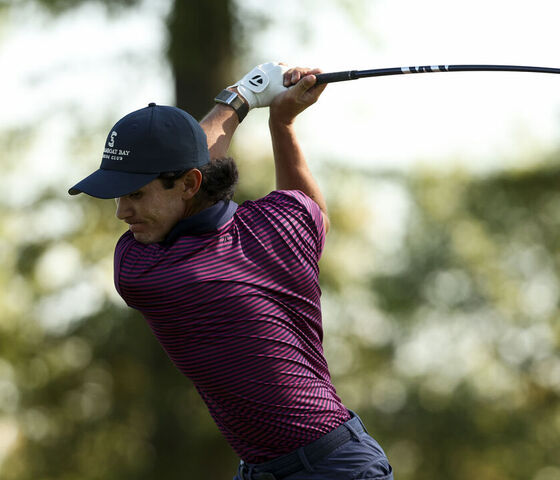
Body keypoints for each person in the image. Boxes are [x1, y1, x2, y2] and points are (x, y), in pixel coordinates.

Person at [69, 62, 393, 480]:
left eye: (135, 193)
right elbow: (312, 212)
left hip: (333, 469)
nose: (121, 212)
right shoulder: (282, 223)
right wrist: (282, 122)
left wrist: (240, 97)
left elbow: (200, 160)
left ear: (189, 184)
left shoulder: (149, 270)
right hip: (285, 465)